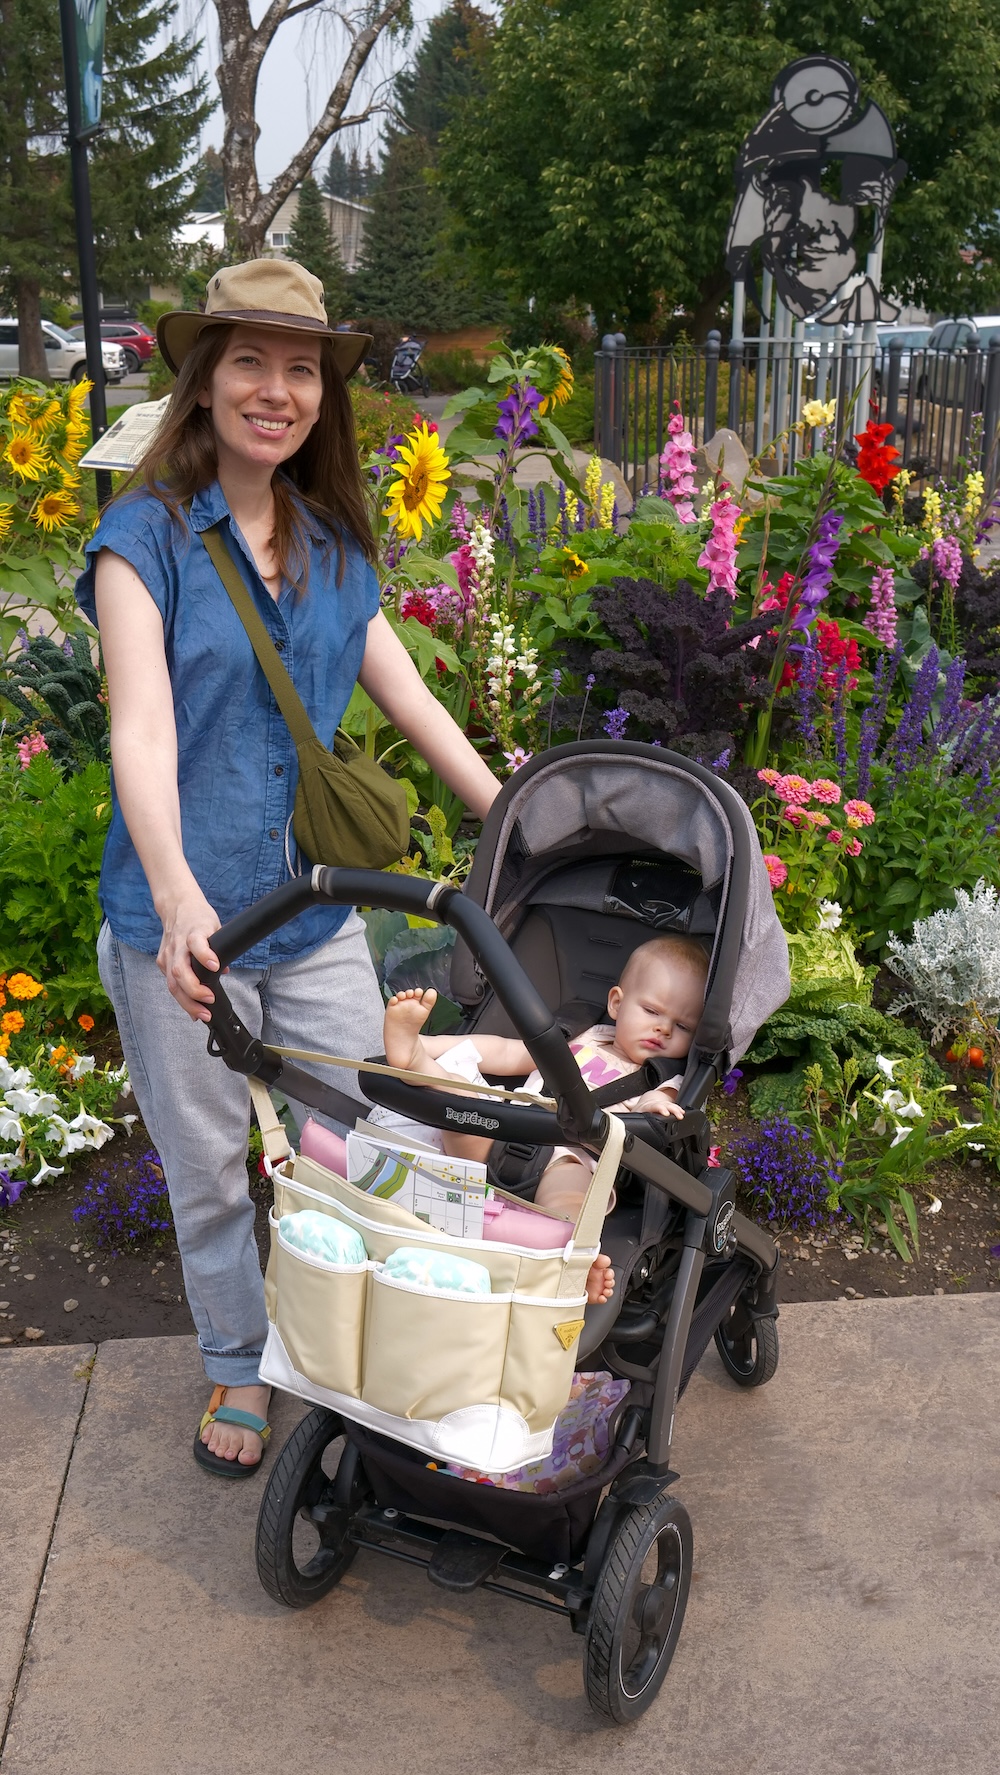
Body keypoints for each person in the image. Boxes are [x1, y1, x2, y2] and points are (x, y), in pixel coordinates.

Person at [75, 259, 501, 1477]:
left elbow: (406, 690)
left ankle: (360, 1344)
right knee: (211, 1165)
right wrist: (172, 895)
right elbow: (141, 730)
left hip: (313, 925)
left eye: (300, 368)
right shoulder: (139, 540)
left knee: (367, 1136)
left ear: (325, 394)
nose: (277, 389)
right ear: (201, 383)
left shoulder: (323, 543)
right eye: (248, 362)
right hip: (185, 926)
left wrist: (520, 814)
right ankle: (237, 1366)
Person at [381, 934, 709, 1305]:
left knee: (570, 1195)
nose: (663, 1029)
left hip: (574, 1154)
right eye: (651, 1011)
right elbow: (506, 1052)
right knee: (461, 1102)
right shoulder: (581, 1036)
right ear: (617, 1003)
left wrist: (653, 1107)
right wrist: (433, 1045)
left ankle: (574, 1262)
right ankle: (417, 1059)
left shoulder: (663, 1077)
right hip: (505, 1133)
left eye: (682, 1027)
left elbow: (661, 1105)